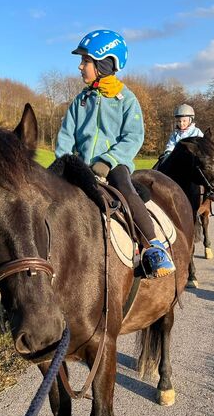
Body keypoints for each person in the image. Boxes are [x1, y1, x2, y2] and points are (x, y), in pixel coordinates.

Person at [55, 29, 175, 277]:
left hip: (115, 164)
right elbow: (66, 135)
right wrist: (62, 162)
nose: (80, 67)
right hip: (80, 164)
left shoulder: (126, 99)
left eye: (85, 61)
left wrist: (108, 161)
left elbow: (133, 137)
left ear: (104, 63)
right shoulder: (81, 100)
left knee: (126, 189)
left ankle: (153, 246)